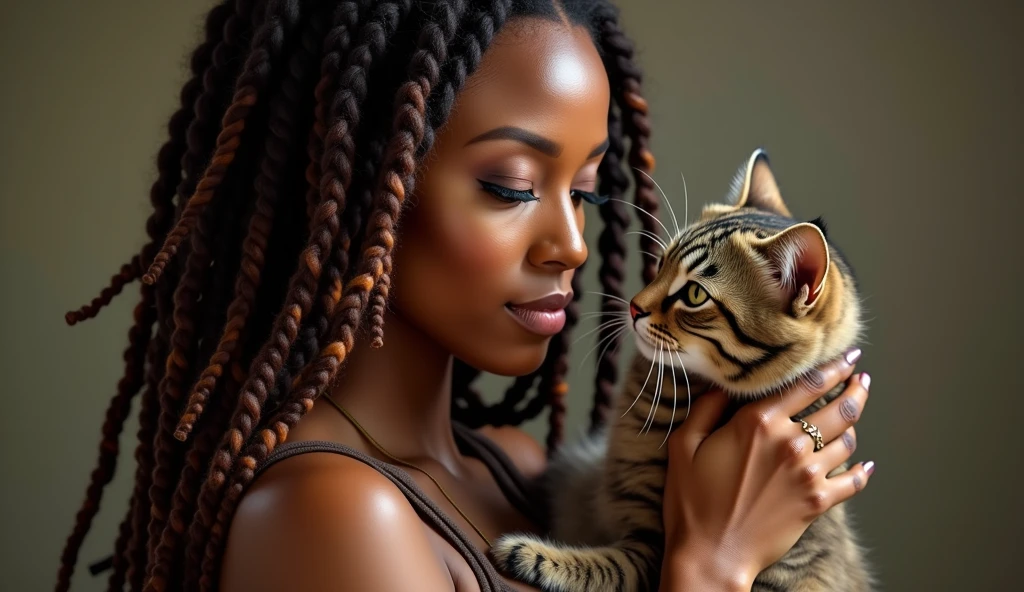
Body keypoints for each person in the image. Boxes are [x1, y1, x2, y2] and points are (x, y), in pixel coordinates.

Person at [57, 1, 874, 591]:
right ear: (360, 186)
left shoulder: (515, 470)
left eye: (584, 193)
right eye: (511, 186)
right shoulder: (334, 519)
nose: (575, 246)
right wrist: (712, 566)